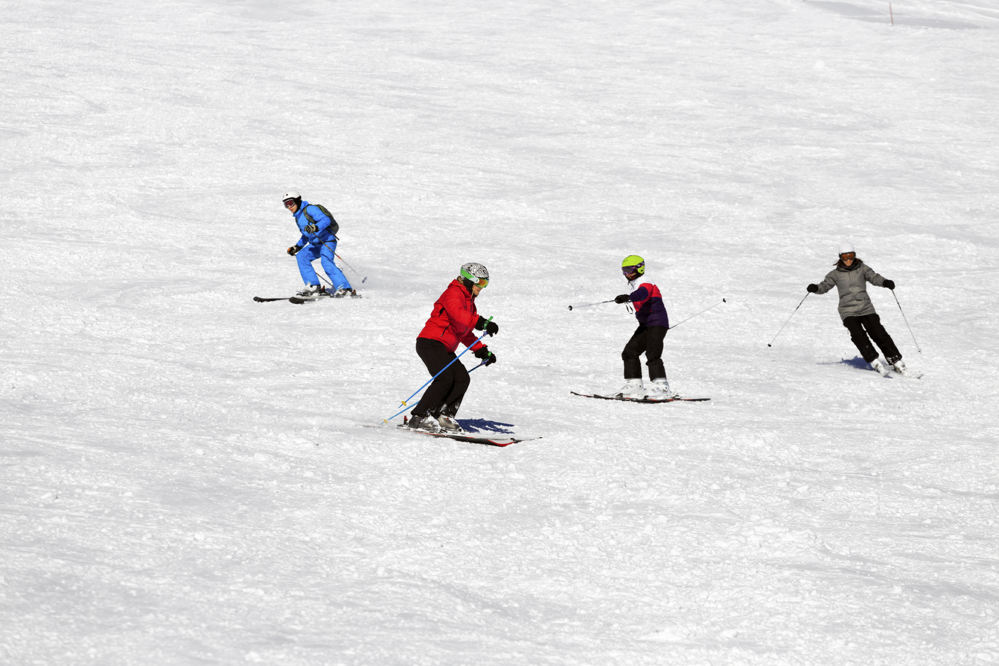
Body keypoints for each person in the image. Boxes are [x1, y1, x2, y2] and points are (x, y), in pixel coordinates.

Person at [408, 263, 499, 433]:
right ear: (470, 280)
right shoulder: (453, 293)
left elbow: (464, 331)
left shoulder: (469, 302)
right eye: (481, 283)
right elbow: (460, 316)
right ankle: (419, 417)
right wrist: (482, 322)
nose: (482, 288)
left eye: (485, 284)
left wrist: (481, 350)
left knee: (462, 378)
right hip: (430, 342)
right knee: (445, 378)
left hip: (444, 347)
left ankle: (445, 415)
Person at [807, 242, 904, 375]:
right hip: (848, 311)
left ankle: (895, 360)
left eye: (850, 256)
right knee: (858, 335)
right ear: (840, 257)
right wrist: (816, 288)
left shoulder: (862, 269)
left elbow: (874, 277)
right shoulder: (834, 274)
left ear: (855, 256)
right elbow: (824, 286)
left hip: (866, 308)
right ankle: (873, 359)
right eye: (845, 257)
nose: (848, 260)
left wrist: (885, 282)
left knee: (878, 332)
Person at [613, 255, 674, 398]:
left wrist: (629, 297)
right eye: (624, 271)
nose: (626, 274)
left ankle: (662, 387)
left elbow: (643, 293)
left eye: (629, 270)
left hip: (657, 323)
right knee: (629, 352)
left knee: (653, 354)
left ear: (639, 268)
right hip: (646, 325)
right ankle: (634, 385)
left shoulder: (645, 281)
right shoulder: (635, 283)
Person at [282, 190, 356, 298]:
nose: (289, 207)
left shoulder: (310, 209)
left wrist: (315, 227)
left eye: (291, 203)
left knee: (326, 261)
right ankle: (313, 286)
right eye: (286, 204)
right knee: (302, 256)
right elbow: (306, 235)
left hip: (327, 241)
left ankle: (345, 288)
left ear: (297, 201)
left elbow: (326, 220)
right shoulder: (298, 218)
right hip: (315, 244)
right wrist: (297, 246)